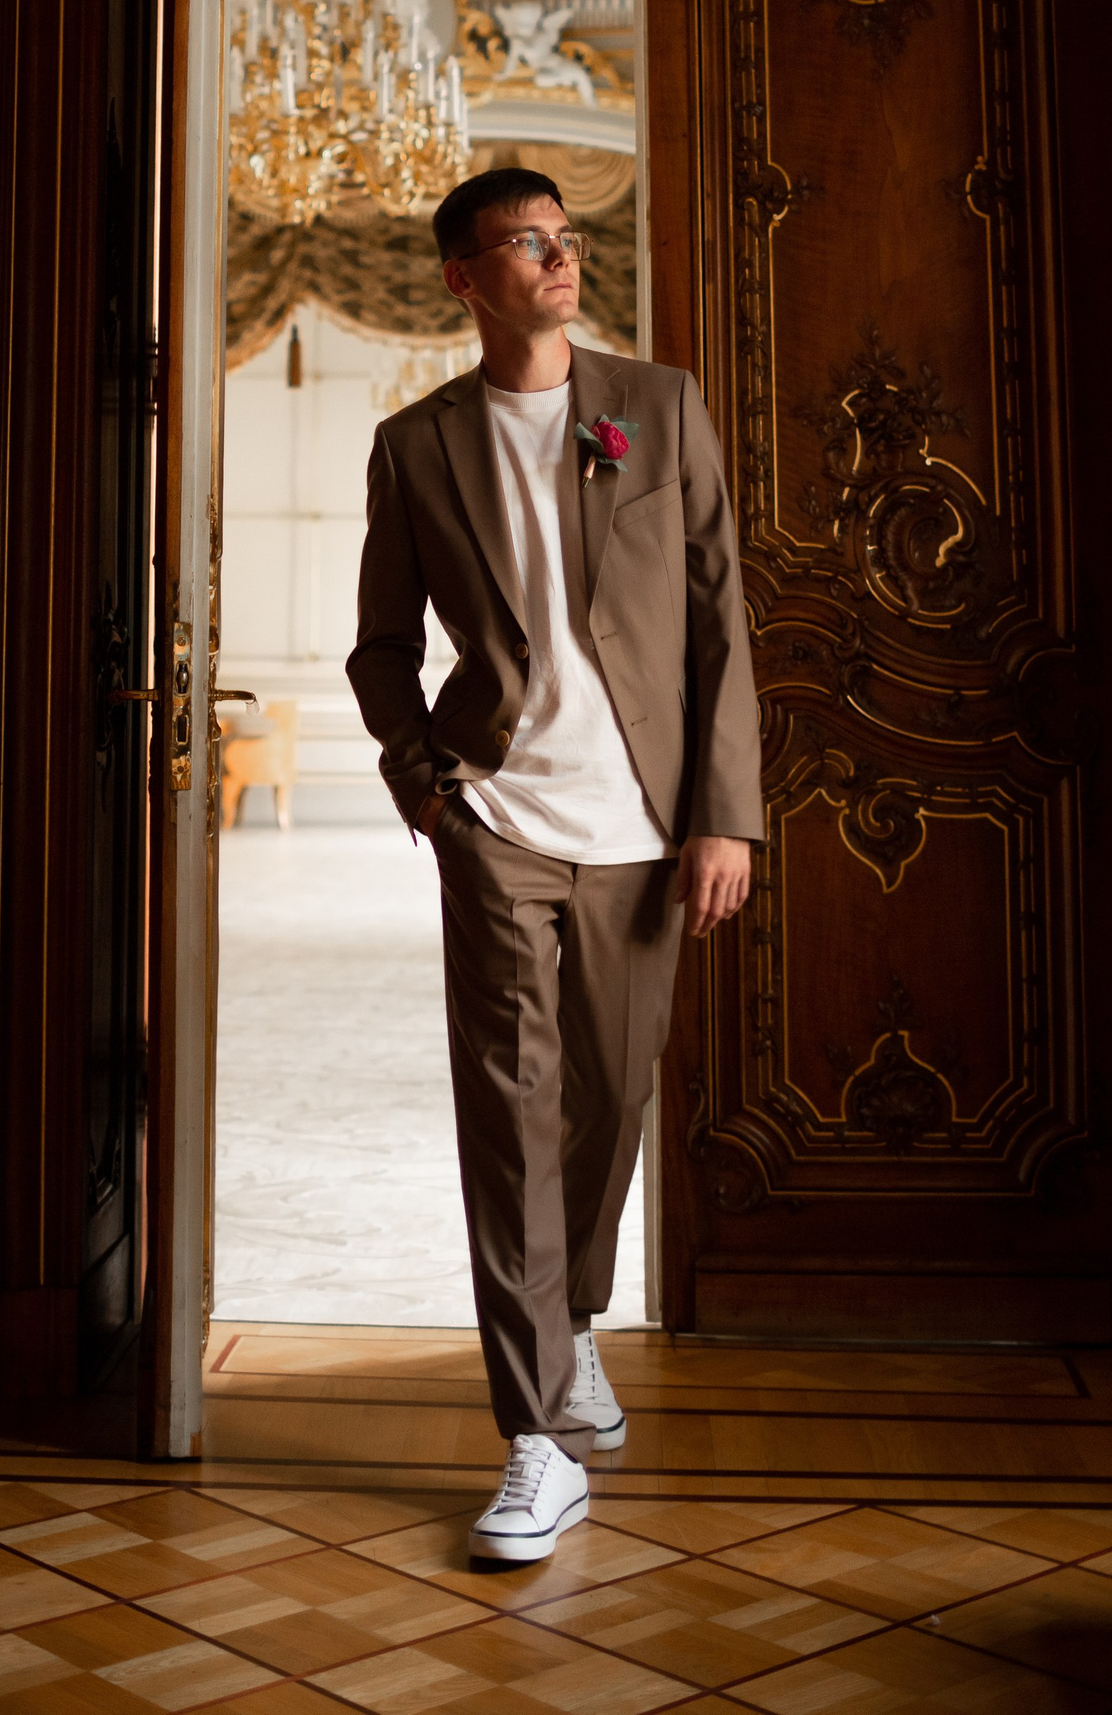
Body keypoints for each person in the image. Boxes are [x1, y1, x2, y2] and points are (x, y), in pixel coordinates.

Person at [346, 165, 764, 1564]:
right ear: (464, 278)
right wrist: (427, 788)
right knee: (510, 1114)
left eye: (565, 237)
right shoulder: (416, 446)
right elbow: (380, 648)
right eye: (524, 243)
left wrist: (726, 814)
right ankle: (534, 1435)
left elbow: (720, 621)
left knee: (612, 1095)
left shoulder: (659, 406)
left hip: (645, 828)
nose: (557, 258)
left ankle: (570, 1315)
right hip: (500, 824)